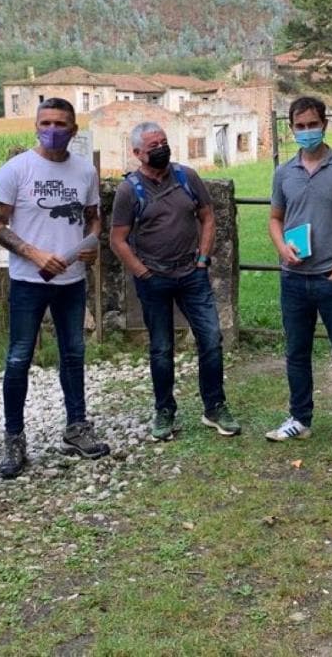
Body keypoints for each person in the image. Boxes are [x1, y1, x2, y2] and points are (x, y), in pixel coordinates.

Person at [0, 98, 108, 477]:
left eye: (60, 123)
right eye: (45, 122)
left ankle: (77, 427)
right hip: (29, 281)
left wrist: (89, 248)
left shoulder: (85, 171)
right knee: (19, 358)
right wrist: (33, 253)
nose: (52, 129)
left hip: (71, 282)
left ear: (73, 129)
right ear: (35, 125)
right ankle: (14, 437)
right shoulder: (15, 170)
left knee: (73, 353)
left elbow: (94, 221)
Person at [110, 122, 241, 440]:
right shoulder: (130, 190)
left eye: (164, 142)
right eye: (153, 145)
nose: (161, 149)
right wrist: (141, 272)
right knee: (161, 348)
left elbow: (208, 216)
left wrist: (202, 259)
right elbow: (117, 239)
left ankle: (214, 407)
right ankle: (164, 411)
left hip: (192, 275)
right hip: (153, 279)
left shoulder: (187, 177)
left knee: (211, 339)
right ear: (138, 153)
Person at [266, 96, 332, 456]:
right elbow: (275, 219)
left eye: (313, 124)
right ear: (291, 128)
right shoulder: (284, 173)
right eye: (300, 126)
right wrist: (282, 248)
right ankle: (300, 419)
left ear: (324, 124)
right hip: (293, 279)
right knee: (297, 353)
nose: (307, 131)